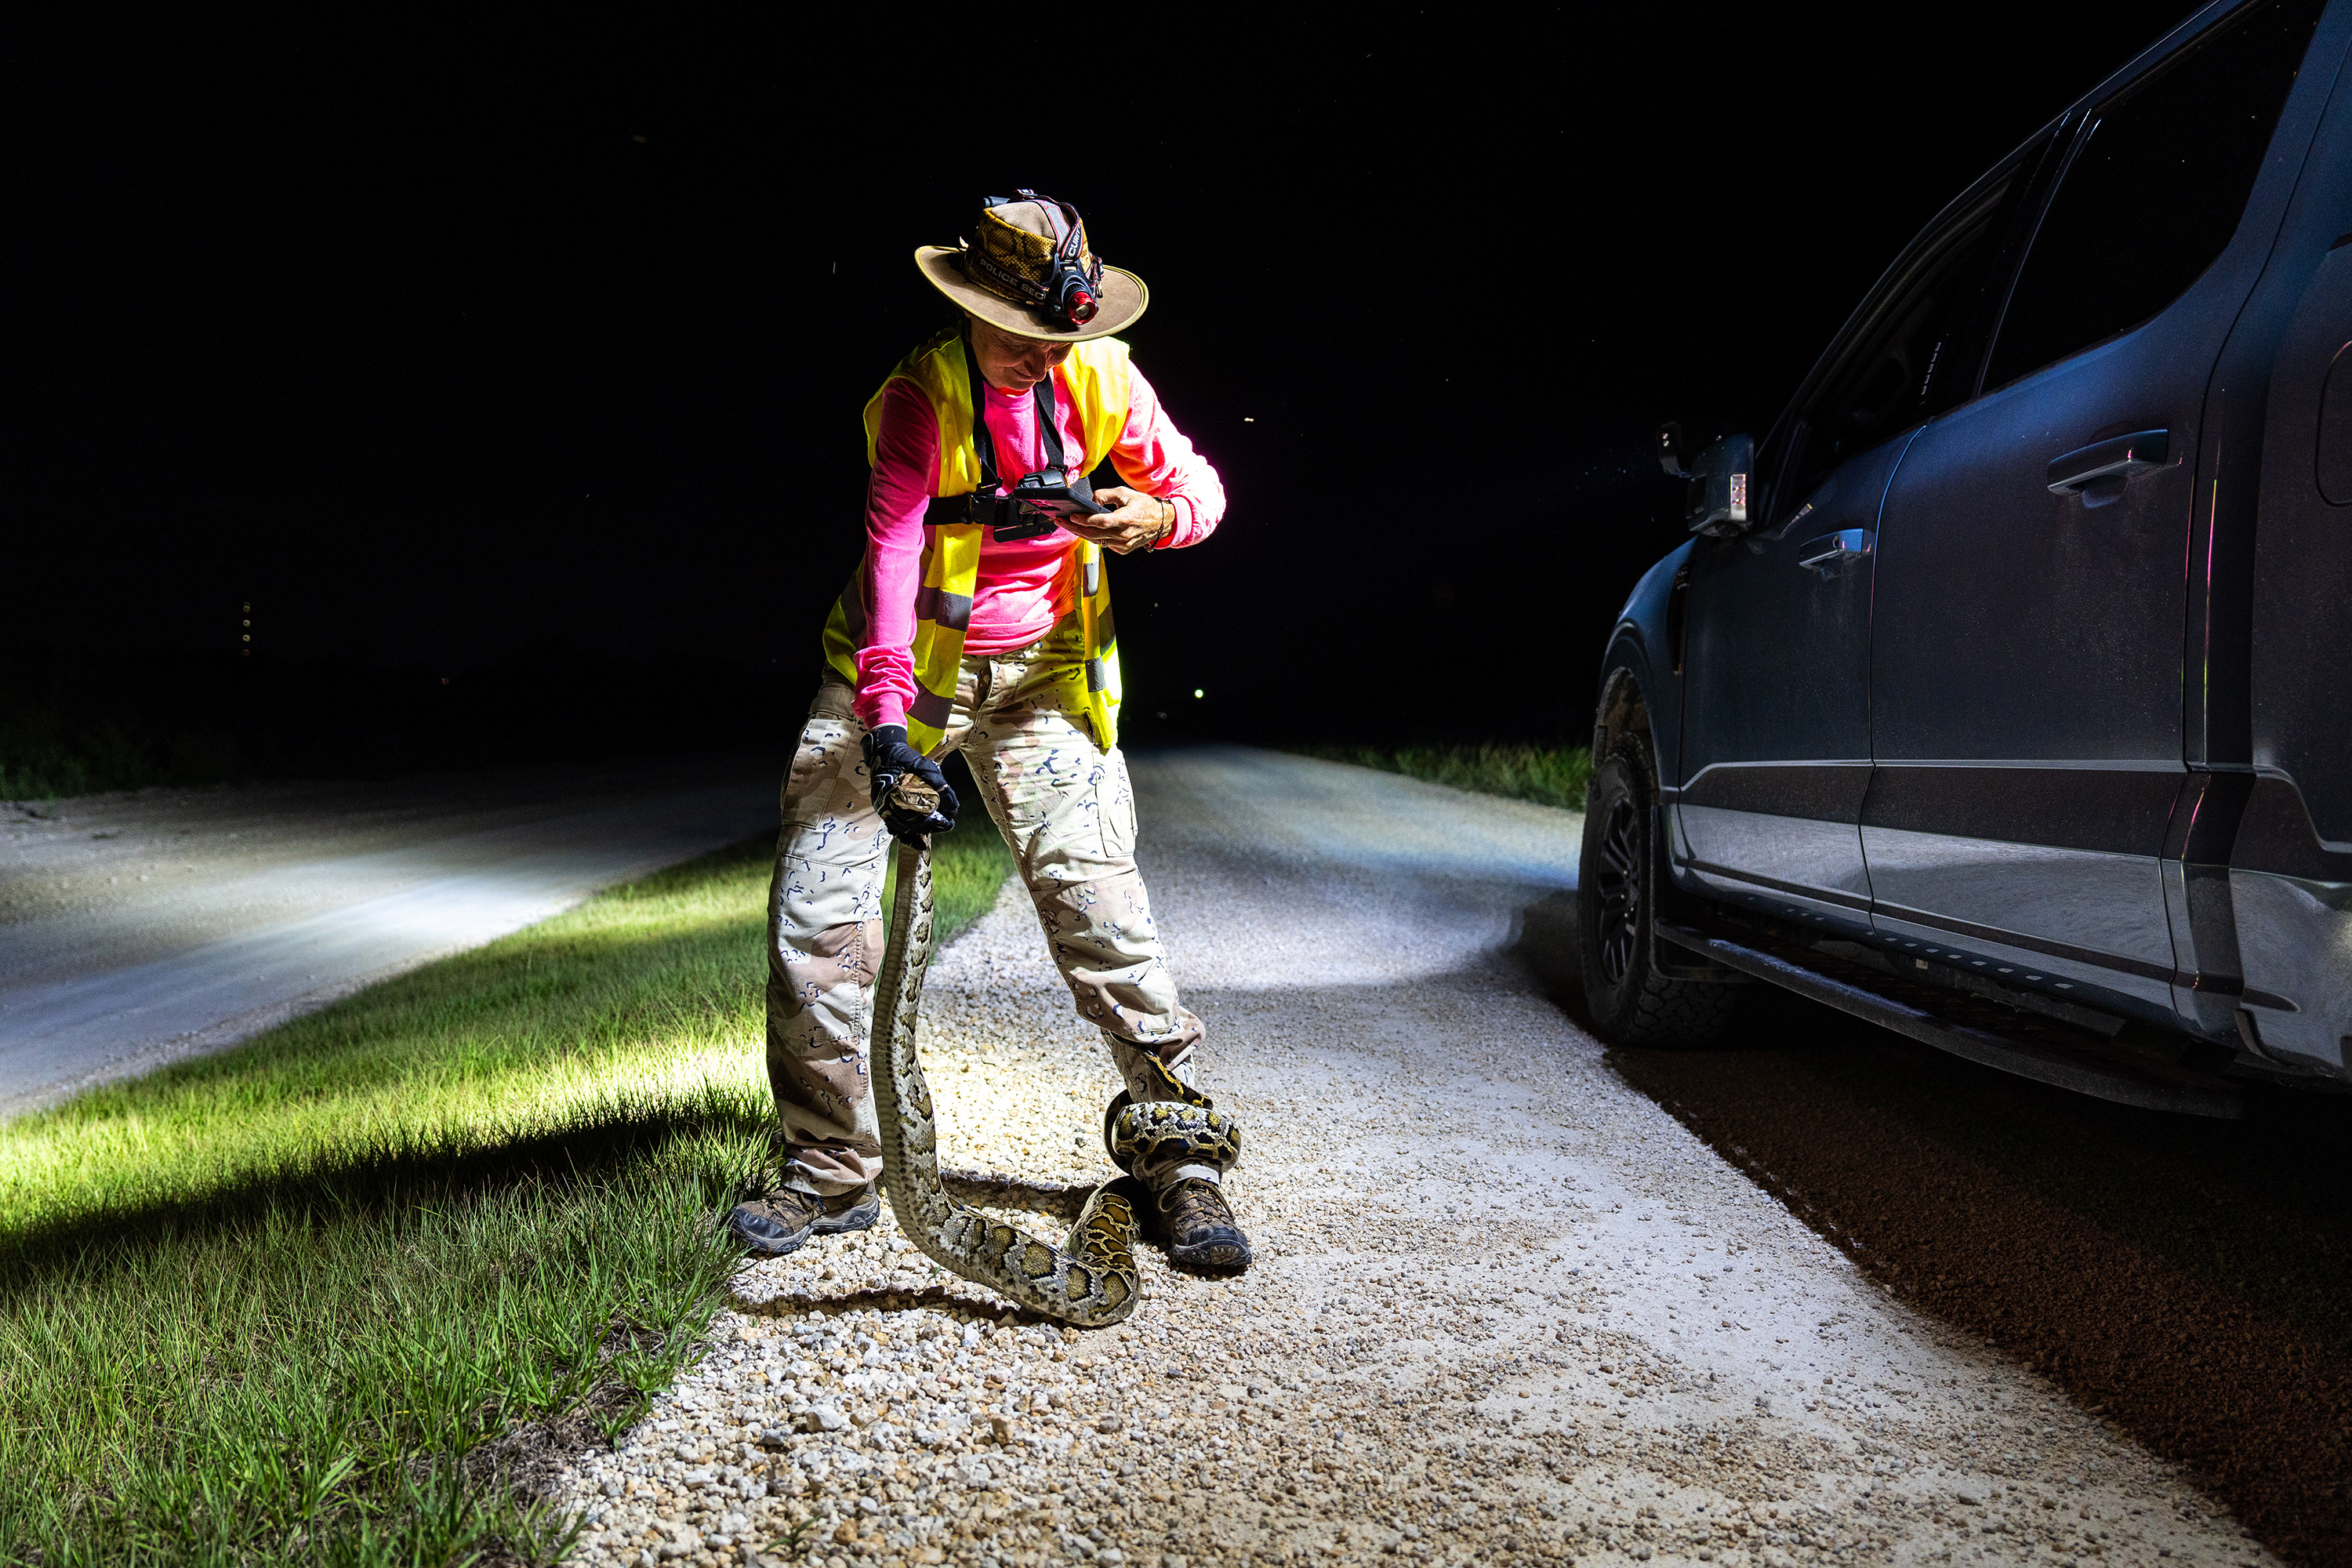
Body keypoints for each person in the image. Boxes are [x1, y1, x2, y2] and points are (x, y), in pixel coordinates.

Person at [726, 191, 1249, 1272]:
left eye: (1060, 336)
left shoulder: (1104, 374)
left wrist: (1156, 518)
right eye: (1019, 334)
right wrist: (881, 727)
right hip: (903, 672)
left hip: (1046, 676)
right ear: (971, 305)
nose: (1039, 356)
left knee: (1101, 910)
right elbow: (890, 557)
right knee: (819, 918)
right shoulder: (922, 397)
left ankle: (1178, 1159)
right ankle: (831, 1172)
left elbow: (1200, 487)